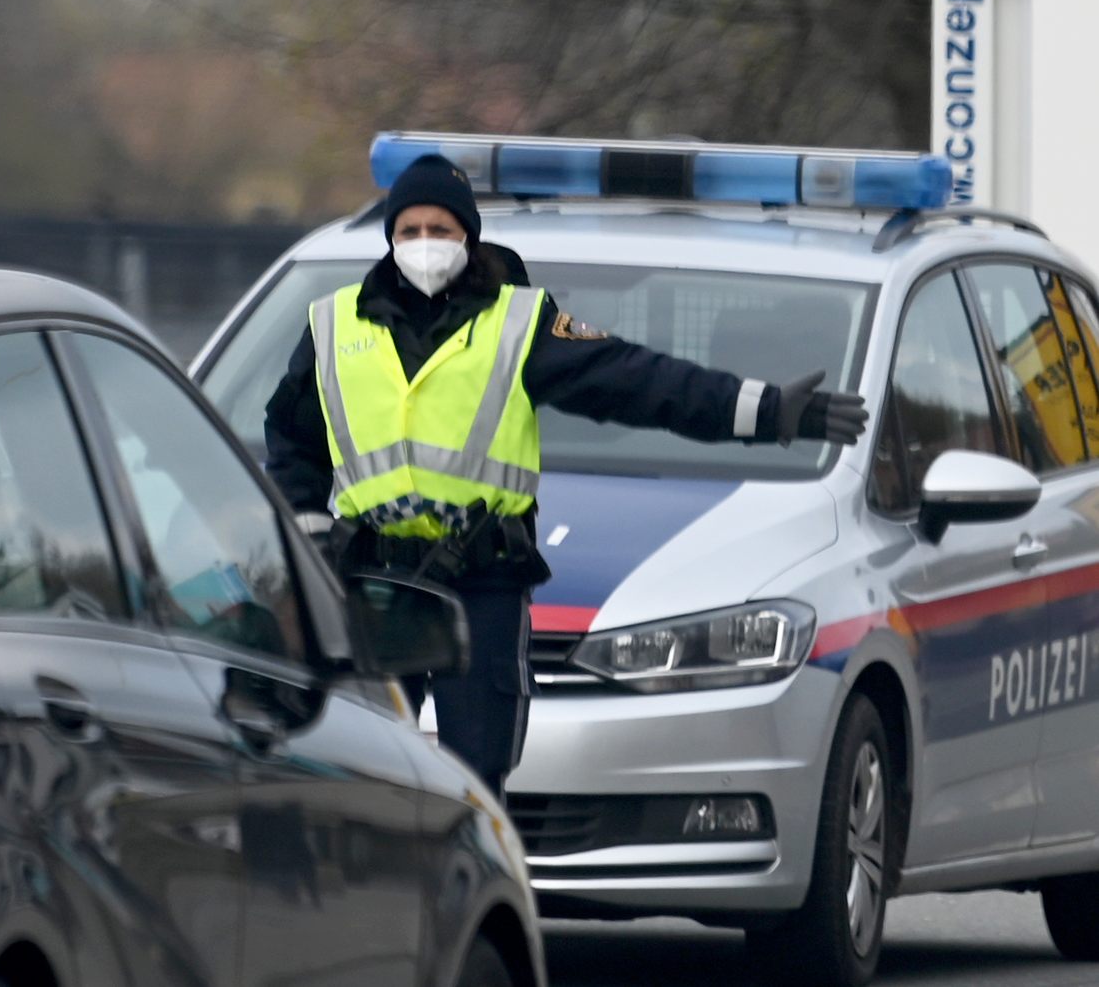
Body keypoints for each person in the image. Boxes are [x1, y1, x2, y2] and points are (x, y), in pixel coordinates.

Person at [264, 154, 867, 795]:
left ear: (468, 236)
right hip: (373, 585)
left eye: (439, 230)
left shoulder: (518, 322)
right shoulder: (334, 324)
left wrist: (768, 411)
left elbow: (639, 383)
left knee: (476, 781)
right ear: (390, 239)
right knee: (361, 774)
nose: (423, 246)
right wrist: (309, 531)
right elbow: (290, 432)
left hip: (481, 581)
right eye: (408, 231)